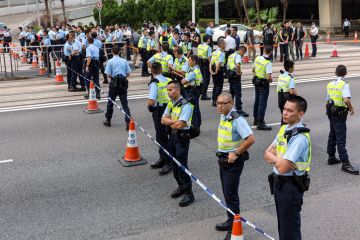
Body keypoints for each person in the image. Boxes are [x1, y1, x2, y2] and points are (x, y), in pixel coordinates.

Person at [264, 96, 311, 240]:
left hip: (290, 186)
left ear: (300, 114)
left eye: (290, 110)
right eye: (284, 109)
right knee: (283, 227)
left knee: (289, 231)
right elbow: (266, 154)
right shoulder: (284, 128)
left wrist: (278, 161)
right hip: (280, 183)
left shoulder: (299, 138)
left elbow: (283, 167)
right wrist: (279, 161)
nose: (284, 113)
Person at [215, 93, 255, 240]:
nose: (219, 106)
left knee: (231, 194)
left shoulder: (237, 120)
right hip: (223, 160)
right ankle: (230, 220)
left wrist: (236, 153)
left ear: (231, 103)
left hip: (233, 161)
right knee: (227, 192)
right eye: (218, 103)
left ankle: (234, 228)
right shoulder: (224, 115)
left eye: (223, 103)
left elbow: (251, 139)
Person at [161, 81, 195, 207]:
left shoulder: (186, 105)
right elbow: (162, 120)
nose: (168, 92)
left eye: (171, 90)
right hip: (173, 136)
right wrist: (173, 122)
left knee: (182, 165)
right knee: (174, 164)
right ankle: (181, 186)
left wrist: (170, 121)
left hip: (182, 138)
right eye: (167, 90)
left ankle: (189, 193)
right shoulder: (171, 103)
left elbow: (180, 124)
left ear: (178, 90)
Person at [326, 65, 359, 175]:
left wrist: (329, 112)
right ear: (345, 73)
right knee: (341, 137)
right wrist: (351, 109)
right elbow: (346, 100)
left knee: (333, 134)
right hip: (339, 113)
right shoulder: (344, 84)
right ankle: (345, 163)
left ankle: (331, 157)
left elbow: (328, 100)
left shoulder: (330, 84)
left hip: (331, 111)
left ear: (335, 72)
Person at [148, 62, 173, 175]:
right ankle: (163, 158)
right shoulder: (168, 79)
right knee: (164, 135)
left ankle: (168, 161)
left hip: (160, 111)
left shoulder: (154, 82)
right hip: (170, 109)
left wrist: (150, 106)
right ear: (161, 69)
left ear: (151, 71)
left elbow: (151, 101)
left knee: (161, 136)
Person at [103, 46, 132, 131]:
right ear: (119, 52)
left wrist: (114, 78)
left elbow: (108, 74)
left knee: (110, 102)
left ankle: (108, 120)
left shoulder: (110, 61)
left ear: (112, 52)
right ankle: (128, 122)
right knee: (125, 104)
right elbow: (128, 73)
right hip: (123, 83)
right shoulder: (124, 61)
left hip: (114, 84)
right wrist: (122, 78)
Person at [252, 45, 273, 130]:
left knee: (257, 100)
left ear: (264, 50)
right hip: (264, 83)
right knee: (262, 103)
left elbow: (253, 70)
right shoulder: (268, 62)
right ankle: (260, 122)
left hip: (256, 81)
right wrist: (271, 80)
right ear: (271, 52)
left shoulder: (257, 58)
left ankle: (256, 120)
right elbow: (268, 77)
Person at [226, 46, 249, 117]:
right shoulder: (238, 55)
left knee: (232, 92)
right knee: (238, 93)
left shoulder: (231, 55)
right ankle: (239, 109)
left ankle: (230, 108)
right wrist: (239, 72)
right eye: (244, 53)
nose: (243, 55)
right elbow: (238, 65)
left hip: (230, 75)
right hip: (235, 76)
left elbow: (227, 66)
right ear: (241, 51)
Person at [181, 55, 202, 128]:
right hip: (195, 90)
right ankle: (198, 124)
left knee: (192, 108)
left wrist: (185, 81)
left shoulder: (193, 72)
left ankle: (194, 125)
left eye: (189, 60)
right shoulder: (197, 69)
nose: (188, 61)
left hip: (191, 91)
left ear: (194, 61)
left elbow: (183, 81)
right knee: (196, 107)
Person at [210, 39, 226, 107]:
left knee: (215, 85)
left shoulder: (215, 52)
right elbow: (219, 63)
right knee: (219, 86)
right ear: (221, 44)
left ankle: (214, 100)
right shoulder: (221, 53)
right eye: (224, 44)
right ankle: (216, 101)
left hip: (213, 69)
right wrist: (217, 71)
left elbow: (211, 62)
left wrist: (210, 70)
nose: (225, 45)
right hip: (218, 70)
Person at [197, 35, 212, 100]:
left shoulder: (199, 46)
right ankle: (204, 94)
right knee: (206, 80)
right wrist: (210, 67)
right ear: (208, 39)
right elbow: (209, 58)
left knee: (201, 78)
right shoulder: (208, 47)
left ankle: (200, 92)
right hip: (206, 63)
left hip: (200, 63)